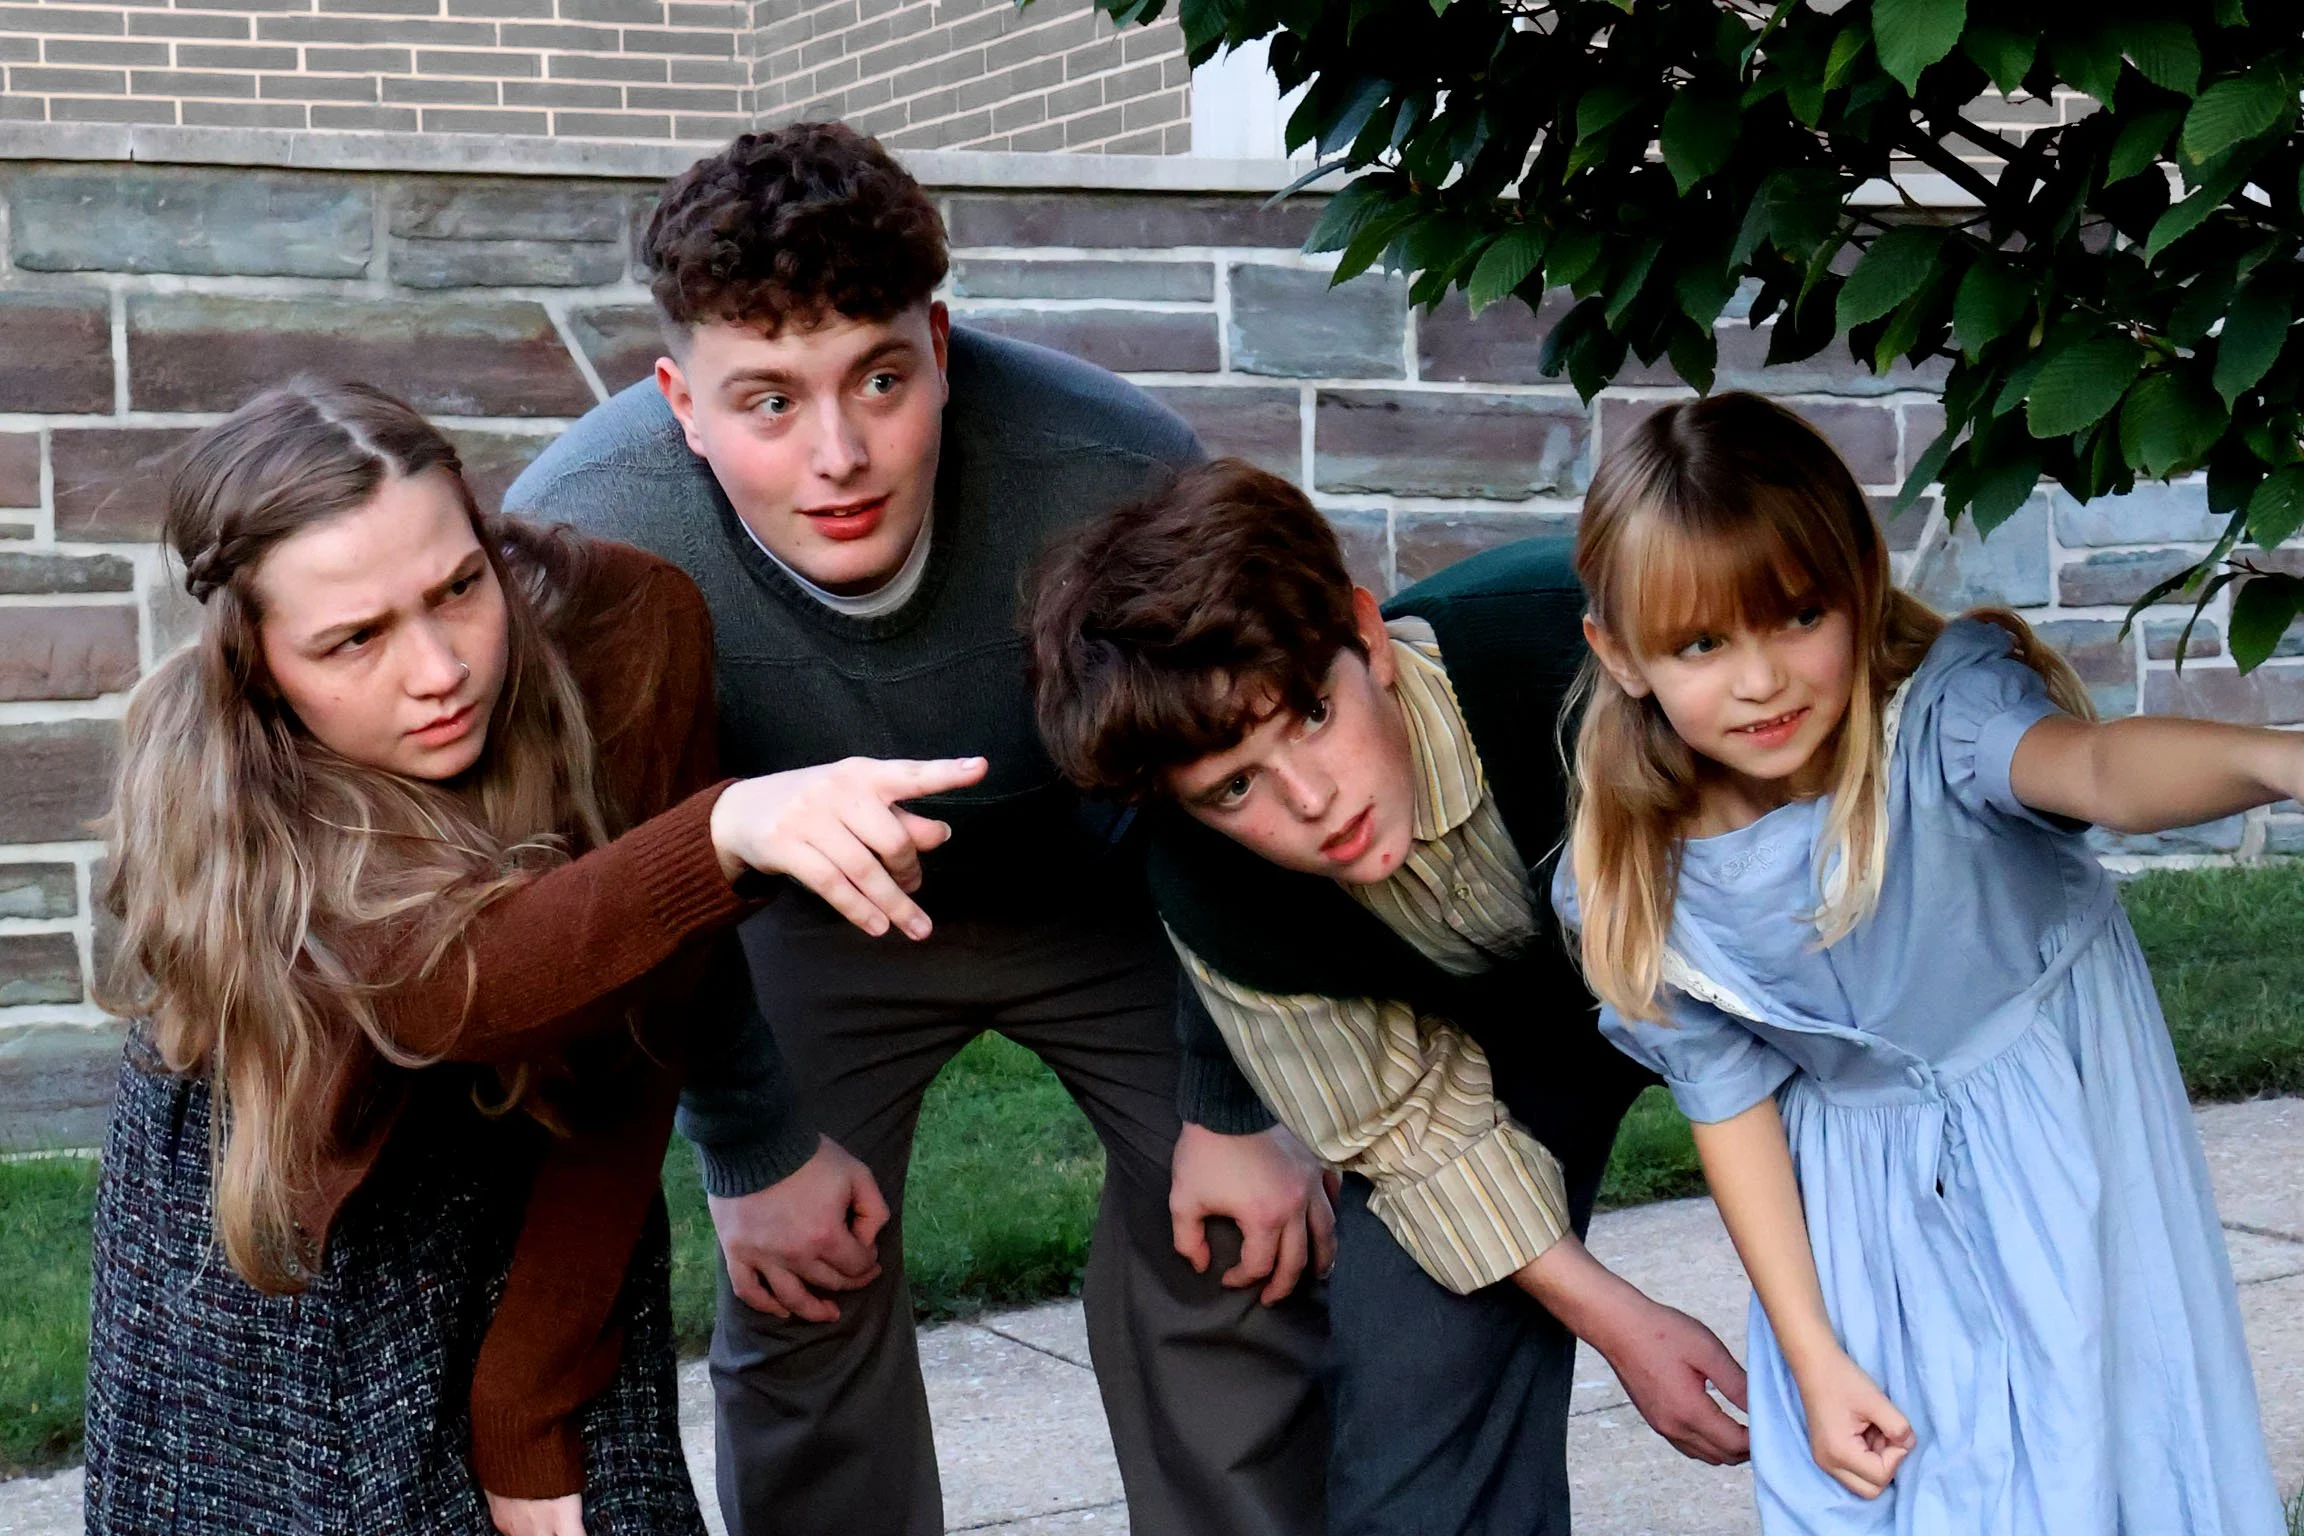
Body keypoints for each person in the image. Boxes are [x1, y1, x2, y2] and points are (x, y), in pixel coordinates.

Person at [502, 123, 1330, 1536]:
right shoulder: (590, 541)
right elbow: (636, 880)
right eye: (767, 403)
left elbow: (1225, 784)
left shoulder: (1110, 468)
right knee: (800, 1288)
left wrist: (1238, 1104)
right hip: (802, 919)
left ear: (940, 345)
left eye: (880, 380)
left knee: (1245, 1253)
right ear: (679, 402)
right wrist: (754, 1155)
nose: (838, 455)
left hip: (1108, 883)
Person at [86, 379, 981, 1536]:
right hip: (288, 1232)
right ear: (258, 666)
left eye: (460, 587)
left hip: (545, 1196)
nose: (438, 669)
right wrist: (715, 836)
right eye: (354, 639)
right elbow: (457, 989)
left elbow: (640, 1021)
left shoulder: (625, 628)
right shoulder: (232, 798)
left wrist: (528, 1396)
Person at [1552, 391, 2288, 1532]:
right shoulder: (1645, 876)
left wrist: (2272, 757)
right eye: (1702, 642)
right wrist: (1813, 1356)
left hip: (2059, 1146)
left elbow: (2097, 772)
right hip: (1866, 1223)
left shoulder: (1940, 730)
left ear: (1856, 581)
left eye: (1797, 616)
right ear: (1621, 654)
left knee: (2096, 1442)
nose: (1761, 680)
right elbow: (1730, 1109)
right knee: (1914, 1477)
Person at [1025, 457, 1755, 1535]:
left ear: (1369, 638)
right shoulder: (1213, 884)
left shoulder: (1565, 642)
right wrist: (1626, 1323)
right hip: (1494, 1049)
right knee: (1416, 1384)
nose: (1313, 803)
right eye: (1235, 787)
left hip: (1762, 986)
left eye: (1313, 715)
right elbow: (1412, 1127)